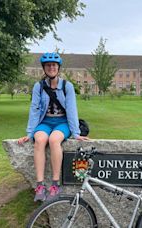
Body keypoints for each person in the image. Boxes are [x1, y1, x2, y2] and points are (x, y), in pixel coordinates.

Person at [18, 52, 89, 201]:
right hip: (45, 122)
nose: (51, 68)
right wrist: (30, 133)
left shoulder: (66, 86)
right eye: (48, 65)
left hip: (62, 122)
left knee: (54, 140)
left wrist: (75, 133)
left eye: (54, 65)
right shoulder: (39, 86)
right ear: (44, 68)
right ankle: (40, 185)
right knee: (39, 140)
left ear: (58, 68)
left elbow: (71, 109)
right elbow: (35, 109)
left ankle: (55, 184)